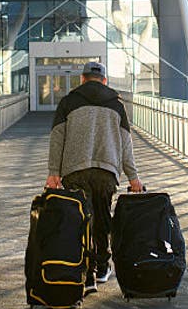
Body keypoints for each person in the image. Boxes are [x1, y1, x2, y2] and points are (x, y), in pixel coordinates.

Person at [46, 61, 143, 295]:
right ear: (105, 81)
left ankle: (86, 274)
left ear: (82, 79)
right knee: (102, 219)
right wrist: (133, 177)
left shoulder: (68, 102)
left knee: (80, 220)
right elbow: (126, 144)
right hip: (106, 171)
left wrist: (53, 172)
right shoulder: (117, 105)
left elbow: (57, 138)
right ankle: (102, 267)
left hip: (74, 170)